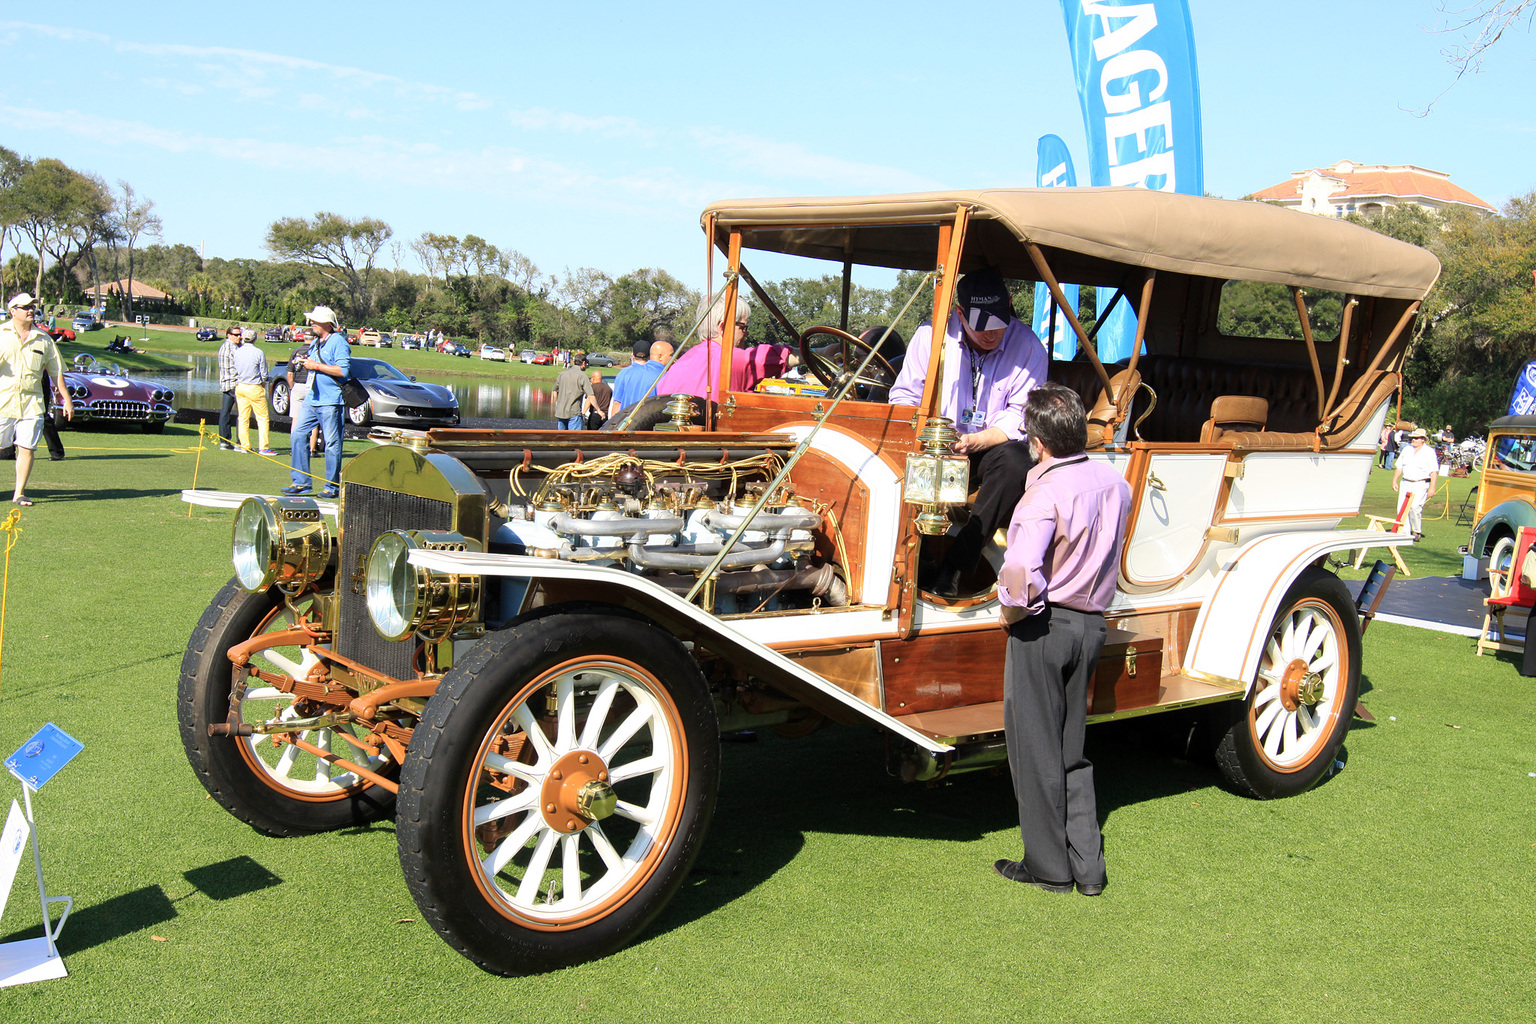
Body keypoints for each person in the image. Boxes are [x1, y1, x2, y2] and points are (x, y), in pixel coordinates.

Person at [993, 383, 1130, 896]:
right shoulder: (1115, 482)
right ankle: (1087, 867)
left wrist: (1010, 614)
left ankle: (1048, 867)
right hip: (1092, 624)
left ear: (1036, 441)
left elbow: (1022, 572)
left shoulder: (1042, 492)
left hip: (1045, 625)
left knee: (1034, 750)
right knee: (1073, 748)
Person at [888, 267, 1048, 597]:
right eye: (981, 328)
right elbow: (904, 397)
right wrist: (932, 436)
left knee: (1019, 461)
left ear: (1010, 304)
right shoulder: (931, 337)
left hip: (991, 448)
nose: (991, 335)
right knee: (892, 458)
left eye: (998, 325)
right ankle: (920, 561)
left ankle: (956, 567)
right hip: (935, 444)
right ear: (959, 314)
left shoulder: (1029, 347)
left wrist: (976, 440)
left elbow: (1022, 416)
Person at [0, 293, 74, 505]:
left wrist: (66, 399)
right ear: (13, 311)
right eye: (25, 307)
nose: (30, 310)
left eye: (32, 306)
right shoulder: (1, 334)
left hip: (32, 404)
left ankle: (19, 493)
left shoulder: (44, 339)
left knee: (27, 447)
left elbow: (56, 372)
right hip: (2, 402)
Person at [653, 295, 796, 401]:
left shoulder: (680, 363)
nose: (746, 333)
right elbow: (773, 358)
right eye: (743, 327)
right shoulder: (730, 358)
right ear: (722, 327)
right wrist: (815, 353)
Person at [282, 306, 350, 499]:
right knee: (297, 435)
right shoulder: (316, 342)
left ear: (326, 323)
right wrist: (303, 361)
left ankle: (332, 487)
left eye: (314, 320)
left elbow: (343, 371)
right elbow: (313, 363)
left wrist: (316, 365)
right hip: (312, 398)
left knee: (332, 444)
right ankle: (301, 482)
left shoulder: (338, 342)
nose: (311, 323)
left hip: (330, 401)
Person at [1392, 427, 1439, 541]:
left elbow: (1434, 471)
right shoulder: (1407, 450)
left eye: (1416, 438)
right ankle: (1405, 532)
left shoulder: (1429, 452)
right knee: (1401, 508)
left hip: (1421, 483)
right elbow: (1400, 467)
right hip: (1405, 481)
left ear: (1422, 439)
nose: (1414, 440)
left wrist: (1432, 488)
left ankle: (1416, 530)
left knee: (1415, 507)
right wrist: (1394, 480)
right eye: (1413, 438)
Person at [232, 331, 274, 455]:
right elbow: (264, 373)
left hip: (240, 386)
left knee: (243, 418)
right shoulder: (258, 352)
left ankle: (245, 446)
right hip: (254, 387)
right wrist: (264, 381)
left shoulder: (237, 351)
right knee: (262, 419)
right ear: (255, 339)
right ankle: (263, 447)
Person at [609, 339, 665, 418]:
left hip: (626, 423)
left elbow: (617, 403)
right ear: (649, 356)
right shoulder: (659, 374)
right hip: (648, 422)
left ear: (633, 355)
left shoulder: (624, 373)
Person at [216, 326, 243, 451]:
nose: (239, 337)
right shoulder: (234, 349)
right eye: (236, 335)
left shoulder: (223, 347)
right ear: (229, 335)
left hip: (226, 384)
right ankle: (240, 441)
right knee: (242, 414)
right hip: (235, 384)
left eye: (240, 334)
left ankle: (224, 441)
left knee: (225, 412)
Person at [553, 355, 593, 430]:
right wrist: (599, 410)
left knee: (561, 438)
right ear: (583, 363)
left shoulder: (562, 374)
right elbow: (591, 396)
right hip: (574, 412)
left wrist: (556, 402)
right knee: (574, 438)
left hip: (560, 411)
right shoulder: (583, 376)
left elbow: (554, 389)